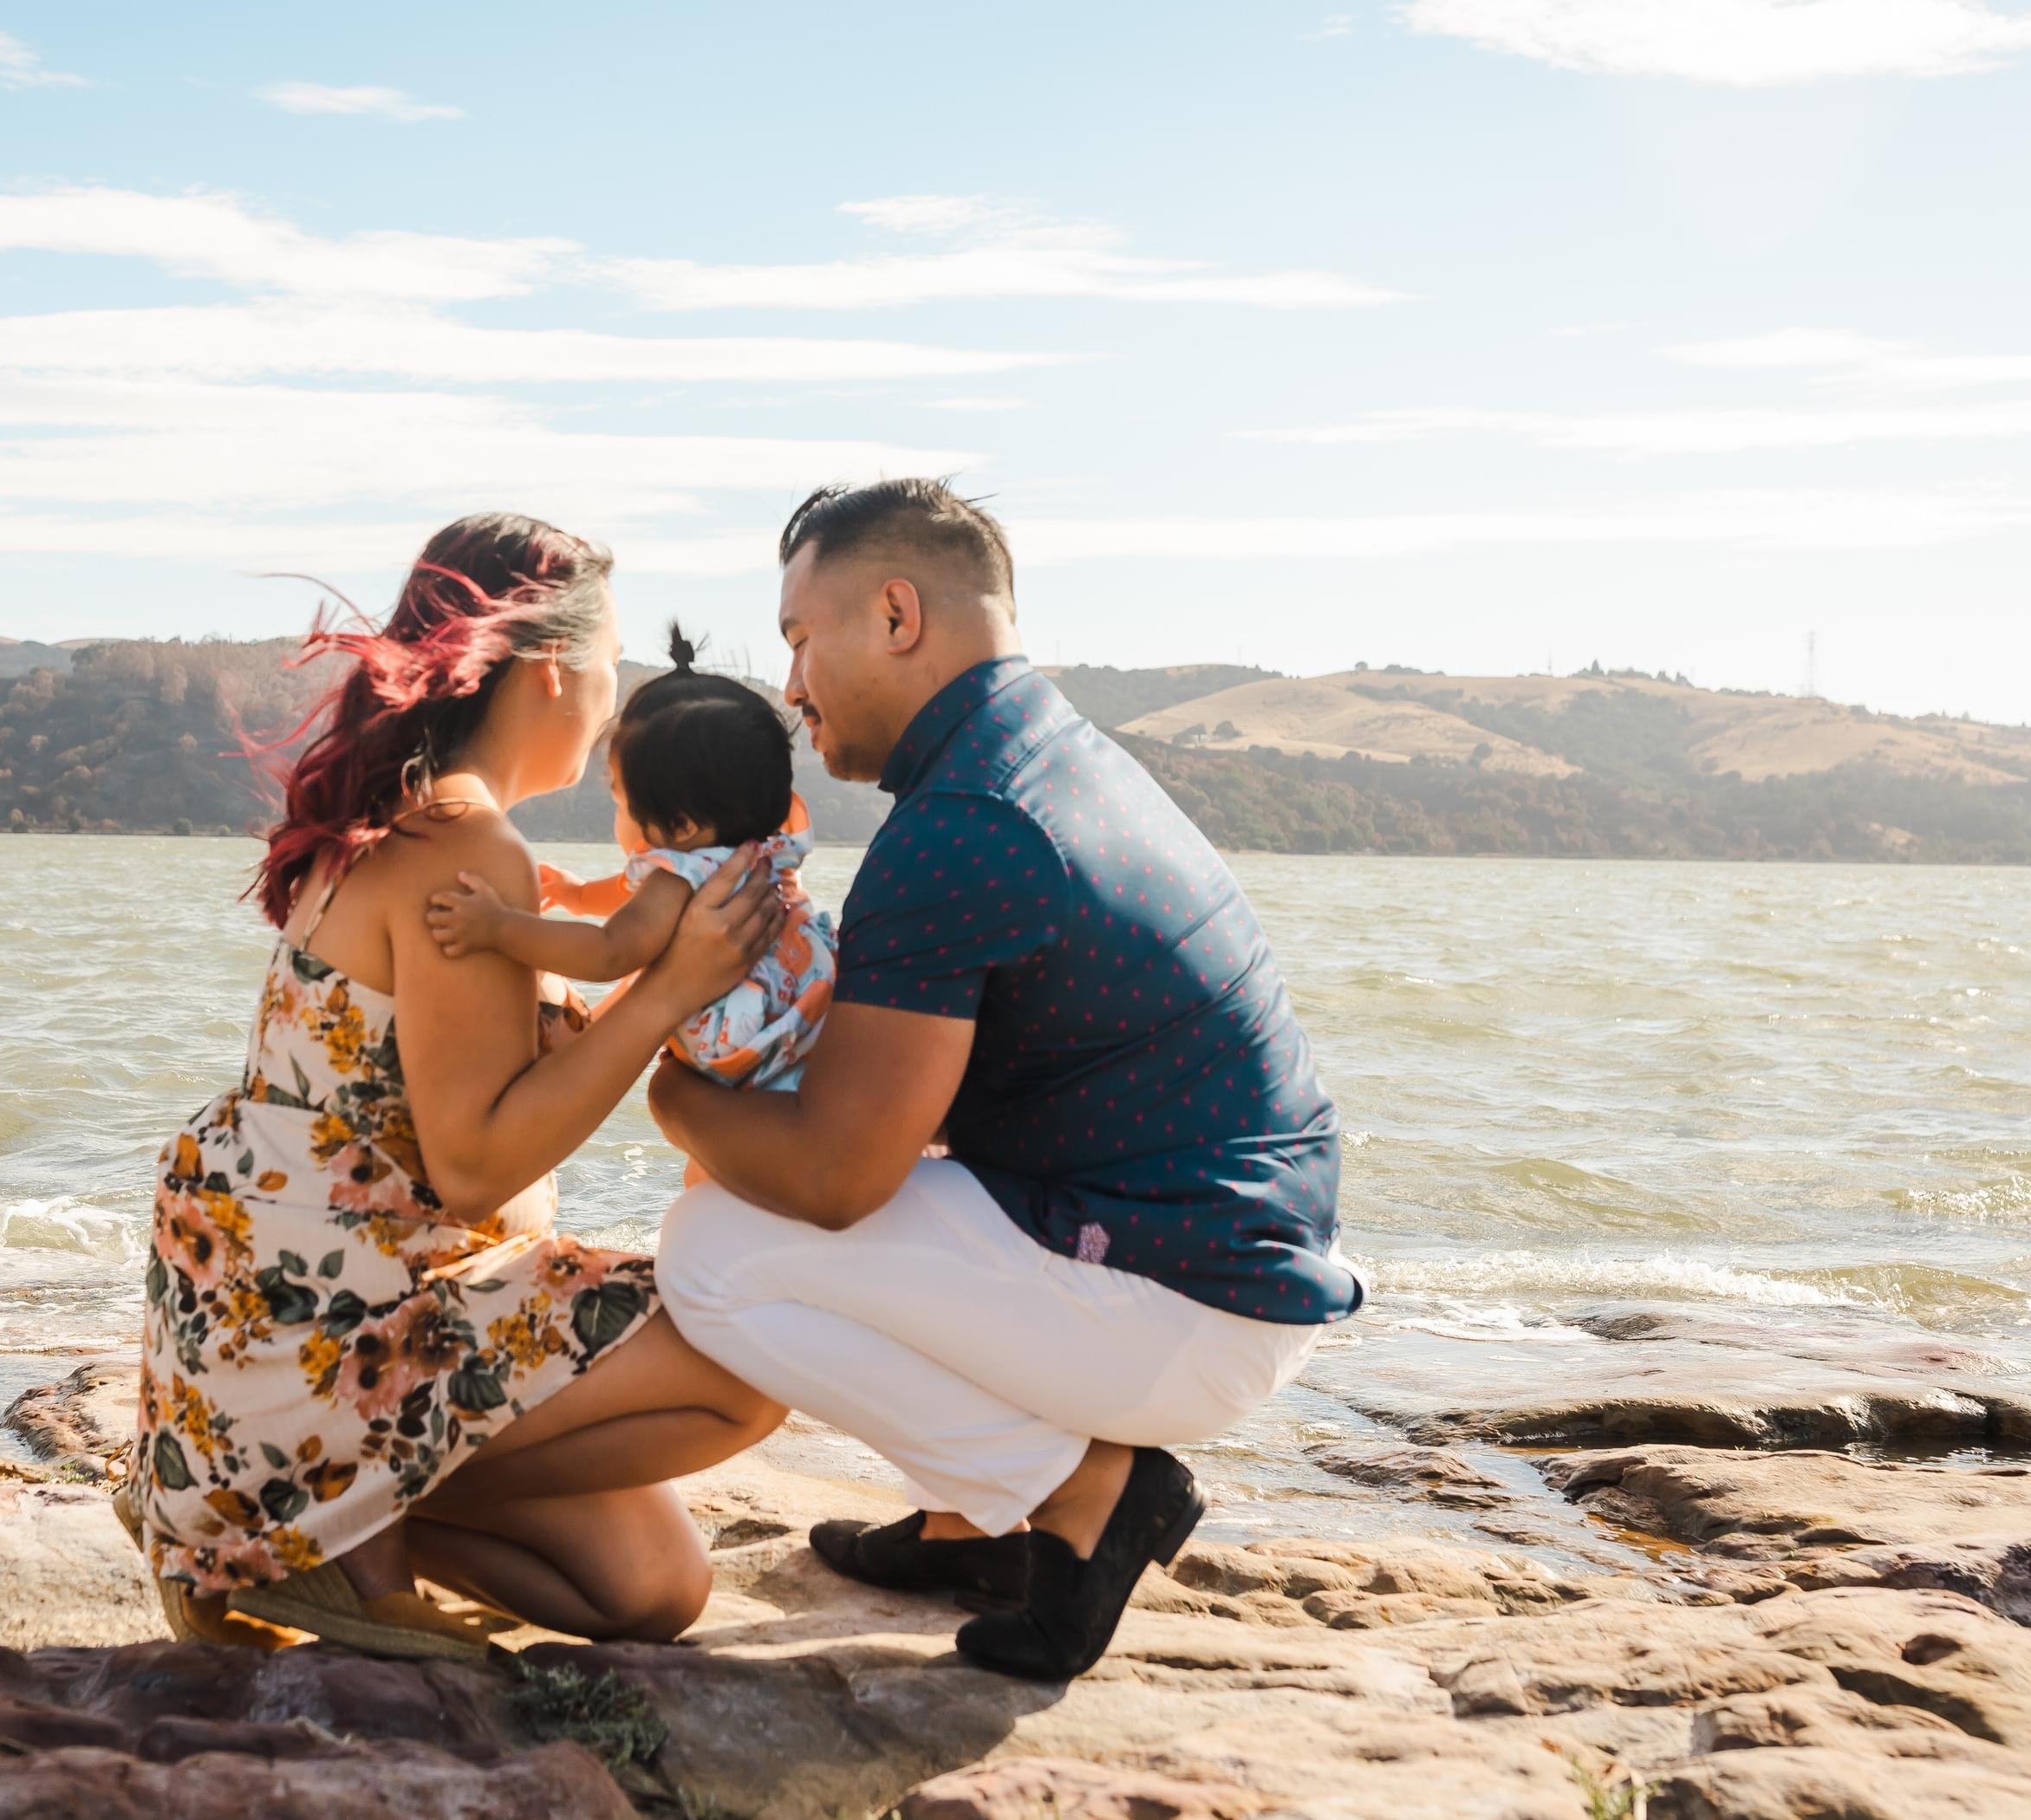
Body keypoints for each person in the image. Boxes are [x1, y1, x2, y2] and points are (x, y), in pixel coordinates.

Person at [650, 480, 1361, 1681]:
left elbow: (837, 1179)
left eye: (800, 639)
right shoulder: (1042, 755)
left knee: (712, 1247)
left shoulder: (965, 820)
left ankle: (1088, 1496)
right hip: (1232, 1267)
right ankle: (972, 1524)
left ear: (896, 615)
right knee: (798, 1191)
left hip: (1190, 1308)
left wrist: (668, 1084)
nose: (792, 686)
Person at [130, 513, 787, 1661]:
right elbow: (473, 1165)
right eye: (612, 661)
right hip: (345, 1339)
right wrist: (667, 992)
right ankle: (317, 1526)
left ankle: (281, 1524)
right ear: (554, 670)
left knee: (650, 1589)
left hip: (285, 1333)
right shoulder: (467, 850)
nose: (616, 696)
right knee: (756, 1354)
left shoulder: (400, 824)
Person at [425, 622, 837, 1103]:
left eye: (620, 803)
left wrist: (498, 927)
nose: (617, 818)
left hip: (751, 1048)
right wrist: (577, 895)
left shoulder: (678, 880)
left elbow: (610, 952)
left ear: (680, 826)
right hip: (813, 1020)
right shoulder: (766, 855)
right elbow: (632, 896)